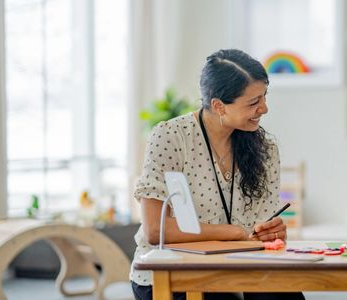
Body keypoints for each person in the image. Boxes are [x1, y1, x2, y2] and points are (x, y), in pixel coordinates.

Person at [130, 49, 305, 300]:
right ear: (218, 106)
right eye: (253, 102)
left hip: (240, 268)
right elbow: (156, 232)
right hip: (169, 274)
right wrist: (231, 232)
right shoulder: (171, 136)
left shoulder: (265, 149)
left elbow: (258, 231)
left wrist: (271, 233)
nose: (264, 108)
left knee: (285, 297)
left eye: (264, 97)